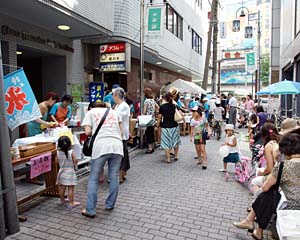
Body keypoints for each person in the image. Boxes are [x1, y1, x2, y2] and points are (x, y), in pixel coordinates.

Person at [233, 133, 300, 239]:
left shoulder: (283, 166)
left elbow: (265, 187)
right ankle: (254, 227)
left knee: (267, 192)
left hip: (289, 206)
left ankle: (252, 223)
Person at [81, 103, 123, 217]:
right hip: (117, 146)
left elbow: (87, 132)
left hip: (101, 147)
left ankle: (90, 210)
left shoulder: (91, 112)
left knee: (93, 178)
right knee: (114, 177)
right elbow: (121, 131)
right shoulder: (115, 112)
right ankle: (110, 205)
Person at [251, 123, 279, 193]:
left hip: (277, 175)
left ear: (263, 135)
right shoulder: (278, 142)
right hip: (282, 171)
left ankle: (259, 202)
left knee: (254, 181)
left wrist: (261, 173)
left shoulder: (269, 145)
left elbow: (269, 169)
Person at [157, 92, 181, 163]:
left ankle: (168, 158)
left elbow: (159, 117)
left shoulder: (162, 107)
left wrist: (157, 125)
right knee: (175, 141)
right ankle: (176, 156)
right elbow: (180, 114)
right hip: (174, 125)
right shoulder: (174, 106)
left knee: (166, 142)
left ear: (165, 98)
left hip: (165, 126)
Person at [57, 136, 80, 208]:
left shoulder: (58, 152)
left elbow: (56, 162)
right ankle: (71, 203)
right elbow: (75, 161)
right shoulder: (71, 152)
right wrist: (74, 162)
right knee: (70, 188)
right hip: (70, 172)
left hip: (62, 172)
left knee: (62, 187)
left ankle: (62, 200)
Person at [113, 87, 131, 183]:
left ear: (116, 96)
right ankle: (123, 174)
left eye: (113, 95)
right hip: (119, 134)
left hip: (122, 134)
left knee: (122, 155)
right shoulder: (118, 106)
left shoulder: (123, 106)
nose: (112, 97)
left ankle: (121, 175)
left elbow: (117, 117)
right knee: (123, 154)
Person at [143, 88, 159, 154]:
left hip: (147, 119)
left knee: (148, 133)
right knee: (152, 133)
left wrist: (143, 115)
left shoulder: (146, 101)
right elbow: (158, 107)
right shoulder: (153, 100)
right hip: (153, 119)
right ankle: (152, 147)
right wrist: (154, 112)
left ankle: (150, 148)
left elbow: (144, 111)